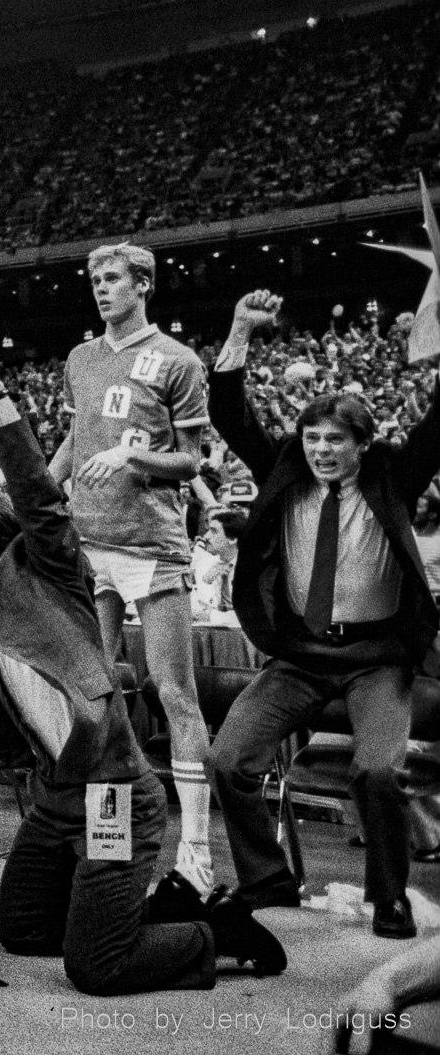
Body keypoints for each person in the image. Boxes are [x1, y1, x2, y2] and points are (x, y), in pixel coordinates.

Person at [0, 354, 285, 995]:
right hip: (55, 798)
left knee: (96, 969)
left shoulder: (52, 574)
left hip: (114, 794)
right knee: (24, 931)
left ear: (9, 550)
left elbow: (34, 488)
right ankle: (135, 911)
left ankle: (209, 932)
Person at [208, 289, 440, 940]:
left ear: (363, 445)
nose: (319, 450)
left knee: (376, 769)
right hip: (298, 657)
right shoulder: (283, 468)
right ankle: (265, 877)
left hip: (375, 662)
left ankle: (388, 896)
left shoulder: (395, 474)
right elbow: (228, 414)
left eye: (334, 439)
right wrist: (238, 331)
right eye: (310, 438)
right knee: (228, 760)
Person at [48, 242, 214, 895]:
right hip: (91, 545)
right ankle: (108, 841)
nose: (100, 287)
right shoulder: (79, 358)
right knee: (96, 699)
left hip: (151, 546)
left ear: (142, 283)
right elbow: (74, 436)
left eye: (112, 277)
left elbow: (193, 460)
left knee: (173, 693)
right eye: (93, 278)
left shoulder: (177, 361)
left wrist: (132, 457)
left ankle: (196, 853)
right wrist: (39, 487)